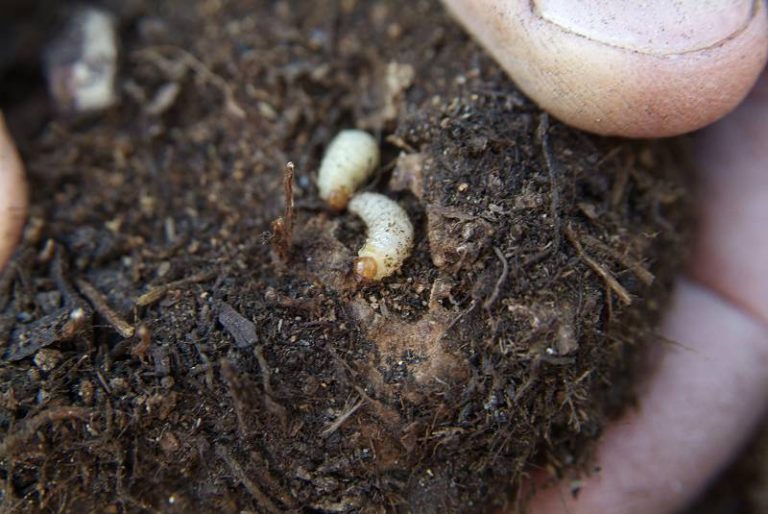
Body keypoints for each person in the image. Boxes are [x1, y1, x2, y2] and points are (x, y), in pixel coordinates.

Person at [0, 2, 766, 513]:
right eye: (370, 261)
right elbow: (377, 216)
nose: (366, 254)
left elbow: (380, 219)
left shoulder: (375, 218)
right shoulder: (369, 211)